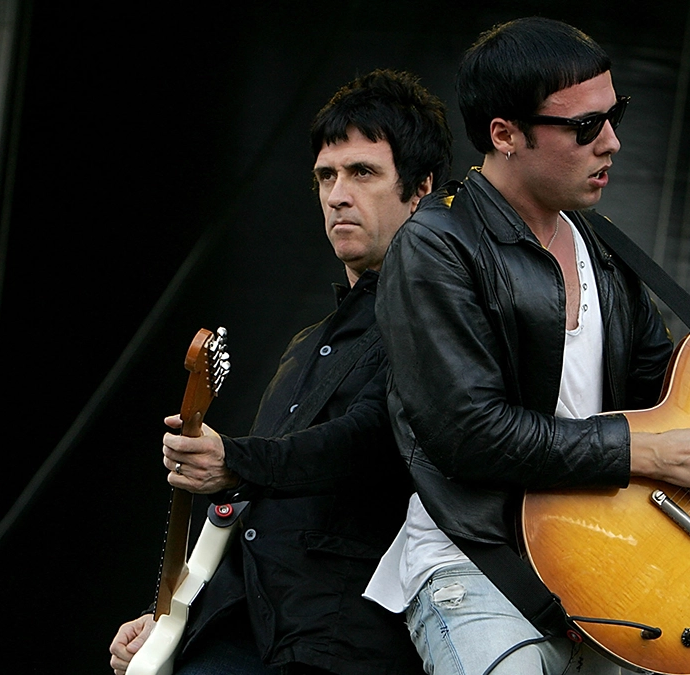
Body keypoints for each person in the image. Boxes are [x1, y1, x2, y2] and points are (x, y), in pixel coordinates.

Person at [363, 18, 690, 675]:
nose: (611, 141)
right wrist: (650, 452)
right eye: (585, 126)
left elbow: (665, 399)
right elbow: (469, 433)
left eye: (616, 115)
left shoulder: (602, 247)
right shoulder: (436, 245)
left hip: (607, 562)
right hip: (479, 564)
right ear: (505, 134)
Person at [109, 69, 452, 675]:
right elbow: (253, 510)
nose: (337, 194)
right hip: (233, 628)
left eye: (362, 173)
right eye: (326, 175)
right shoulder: (306, 346)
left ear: (420, 188)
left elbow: (370, 439)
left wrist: (235, 461)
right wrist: (171, 618)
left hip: (337, 639)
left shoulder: (441, 317)